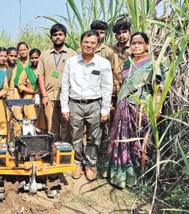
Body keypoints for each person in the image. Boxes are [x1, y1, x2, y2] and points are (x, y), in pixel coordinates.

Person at [108, 32, 164, 188]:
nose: (136, 46)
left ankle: (136, 178)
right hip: (124, 105)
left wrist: (156, 109)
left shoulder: (153, 62)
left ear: (146, 44)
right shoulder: (128, 62)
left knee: (139, 142)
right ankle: (119, 177)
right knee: (121, 141)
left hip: (142, 108)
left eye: (140, 43)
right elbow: (123, 84)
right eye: (133, 43)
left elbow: (158, 88)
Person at [60, 30, 113, 181]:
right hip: (75, 104)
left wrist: (105, 109)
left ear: (97, 45)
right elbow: (65, 86)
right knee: (75, 135)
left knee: (94, 137)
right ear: (81, 42)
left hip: (94, 104)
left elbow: (107, 87)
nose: (88, 45)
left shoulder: (103, 64)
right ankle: (77, 163)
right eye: (86, 42)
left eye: (92, 43)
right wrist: (65, 107)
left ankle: (89, 164)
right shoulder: (72, 62)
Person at [37, 23, 76, 142]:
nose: (58, 37)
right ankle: (52, 153)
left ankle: (65, 154)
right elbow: (40, 76)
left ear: (65, 36)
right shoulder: (44, 55)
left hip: (67, 96)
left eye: (60, 34)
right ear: (51, 37)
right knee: (51, 127)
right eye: (55, 35)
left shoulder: (72, 54)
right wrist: (44, 95)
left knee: (66, 126)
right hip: (49, 97)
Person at [90, 20, 119, 177]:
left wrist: (111, 98)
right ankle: (86, 158)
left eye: (102, 32)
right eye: (96, 31)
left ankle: (100, 156)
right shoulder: (85, 47)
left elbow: (113, 75)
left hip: (103, 94)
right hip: (87, 94)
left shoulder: (108, 52)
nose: (99, 34)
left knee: (103, 126)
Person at [18, 48, 47, 133]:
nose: (34, 60)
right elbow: (20, 85)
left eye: (36, 57)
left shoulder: (44, 69)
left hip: (43, 99)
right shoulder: (26, 70)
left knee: (42, 123)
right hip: (30, 100)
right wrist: (33, 91)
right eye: (32, 58)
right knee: (31, 123)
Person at [111, 20, 132, 96]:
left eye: (124, 32)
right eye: (119, 33)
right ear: (115, 35)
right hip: (113, 92)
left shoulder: (135, 49)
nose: (121, 35)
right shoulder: (110, 50)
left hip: (130, 92)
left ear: (130, 33)